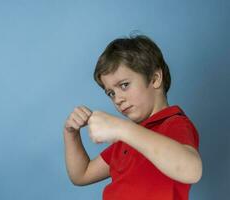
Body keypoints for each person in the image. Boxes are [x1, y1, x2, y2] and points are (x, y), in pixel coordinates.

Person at [63, 34, 203, 200]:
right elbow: (82, 174)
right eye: (111, 93)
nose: (117, 99)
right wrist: (70, 134)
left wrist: (122, 129)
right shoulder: (127, 139)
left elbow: (192, 170)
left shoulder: (174, 123)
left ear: (155, 78)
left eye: (124, 85)